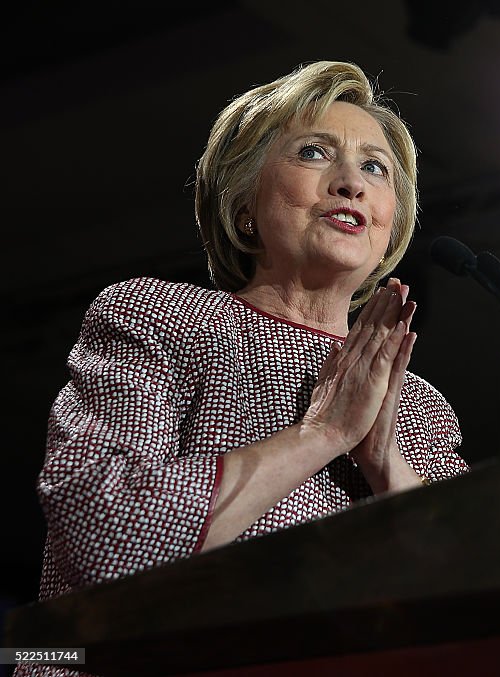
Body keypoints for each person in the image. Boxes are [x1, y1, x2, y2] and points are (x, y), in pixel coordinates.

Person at [16, 60, 469, 677]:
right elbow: (105, 530)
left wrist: (388, 466)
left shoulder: (418, 406)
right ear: (246, 204)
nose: (350, 184)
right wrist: (323, 434)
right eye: (314, 152)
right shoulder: (160, 316)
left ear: (391, 228)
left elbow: (471, 606)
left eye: (374, 167)